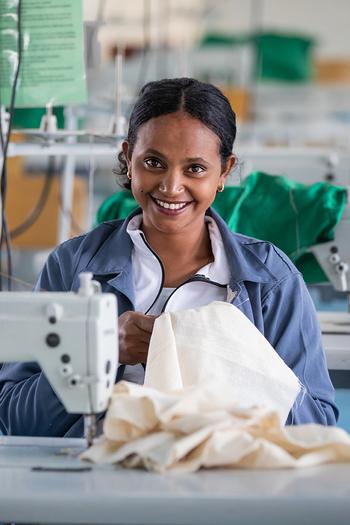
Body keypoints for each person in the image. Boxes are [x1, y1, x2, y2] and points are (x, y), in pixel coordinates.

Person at [0, 78, 338, 438]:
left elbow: (315, 425)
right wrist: (96, 353)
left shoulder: (270, 280)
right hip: (96, 477)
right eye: (153, 162)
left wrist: (209, 356)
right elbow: (12, 416)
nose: (171, 186)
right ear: (128, 158)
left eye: (195, 169)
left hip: (224, 481)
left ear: (224, 171)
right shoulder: (72, 265)